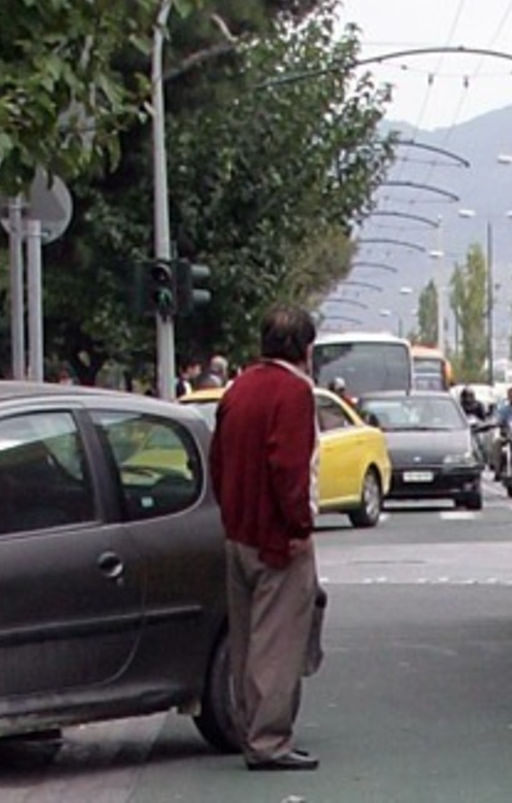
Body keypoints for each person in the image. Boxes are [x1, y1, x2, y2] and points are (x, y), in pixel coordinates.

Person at [207, 306, 322, 772]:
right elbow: (289, 467)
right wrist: (298, 527)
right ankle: (269, 739)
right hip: (276, 538)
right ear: (305, 349)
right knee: (278, 643)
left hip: (238, 533)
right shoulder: (294, 393)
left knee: (246, 639)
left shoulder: (238, 389)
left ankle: (248, 724)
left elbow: (217, 459)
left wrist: (231, 514)